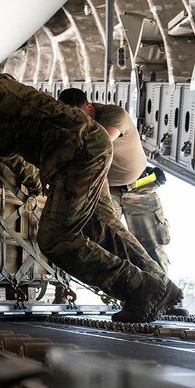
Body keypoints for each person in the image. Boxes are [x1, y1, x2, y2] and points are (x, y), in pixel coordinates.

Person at [0, 53, 180, 322]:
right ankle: (164, 288)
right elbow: (8, 138)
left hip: (73, 153)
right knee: (102, 227)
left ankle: (140, 288)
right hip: (87, 144)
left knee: (56, 240)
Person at [57, 88, 172, 272]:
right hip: (109, 190)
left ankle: (164, 291)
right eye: (72, 117)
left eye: (80, 115)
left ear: (90, 107)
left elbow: (100, 144)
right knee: (110, 243)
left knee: (152, 247)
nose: (77, 121)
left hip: (138, 188)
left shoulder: (113, 115)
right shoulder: (70, 123)